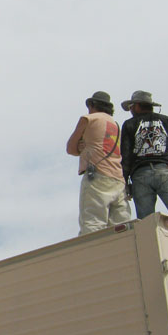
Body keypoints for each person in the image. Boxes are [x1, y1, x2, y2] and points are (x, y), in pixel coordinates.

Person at [120, 90, 168, 221]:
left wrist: (125, 182)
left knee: (145, 220)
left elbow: (126, 155)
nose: (130, 110)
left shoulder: (129, 124)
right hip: (165, 171)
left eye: (131, 107)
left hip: (140, 175)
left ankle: (148, 241)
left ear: (137, 106)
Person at [67, 91, 131, 235]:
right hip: (118, 179)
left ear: (92, 104)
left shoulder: (88, 119)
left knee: (93, 223)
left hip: (97, 175)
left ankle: (93, 255)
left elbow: (70, 148)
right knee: (120, 227)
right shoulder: (116, 124)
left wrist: (80, 147)